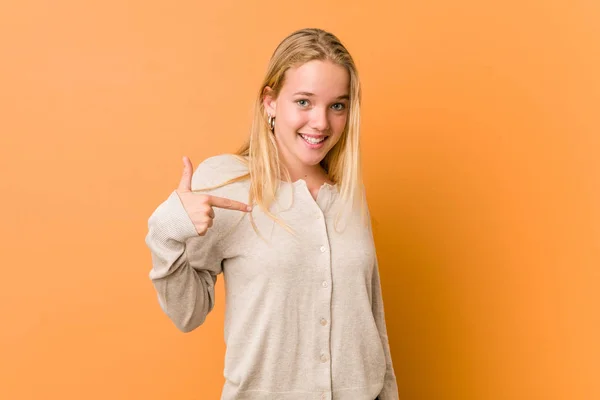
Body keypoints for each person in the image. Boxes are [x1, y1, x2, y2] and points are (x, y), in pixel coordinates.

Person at [145, 28, 399, 400]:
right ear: (270, 101)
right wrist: (168, 229)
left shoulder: (348, 193)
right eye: (303, 102)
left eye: (337, 105)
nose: (321, 123)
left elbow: (373, 325)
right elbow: (188, 313)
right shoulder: (227, 182)